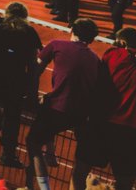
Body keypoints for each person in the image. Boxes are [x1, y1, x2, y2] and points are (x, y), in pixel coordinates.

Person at [27, 18, 101, 190]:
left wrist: (32, 96)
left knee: (32, 141)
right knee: (81, 160)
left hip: (57, 109)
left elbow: (35, 72)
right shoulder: (96, 59)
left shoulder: (56, 45)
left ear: (72, 31)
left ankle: (45, 186)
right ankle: (51, 154)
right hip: (81, 115)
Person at [0, 2, 42, 169]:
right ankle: (8, 155)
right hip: (14, 81)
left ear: (6, 12)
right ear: (25, 16)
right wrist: (32, 89)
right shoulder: (30, 32)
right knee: (12, 117)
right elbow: (34, 64)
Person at [97, 27, 136, 190]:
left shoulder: (111, 54)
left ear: (121, 42)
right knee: (125, 181)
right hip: (134, 130)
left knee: (82, 169)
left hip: (108, 125)